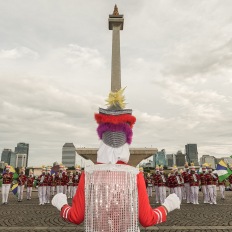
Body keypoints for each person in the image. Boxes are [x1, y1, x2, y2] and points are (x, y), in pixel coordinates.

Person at [52, 87, 180, 230]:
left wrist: (61, 203)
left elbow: (75, 217)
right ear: (125, 144)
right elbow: (147, 219)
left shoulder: (88, 174)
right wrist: (168, 205)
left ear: (102, 142)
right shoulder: (135, 174)